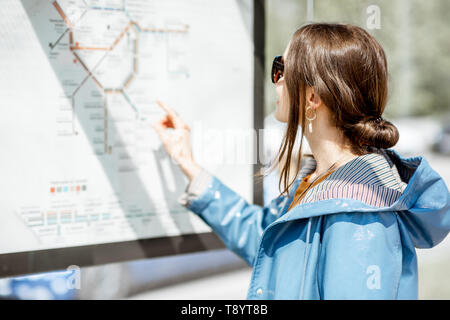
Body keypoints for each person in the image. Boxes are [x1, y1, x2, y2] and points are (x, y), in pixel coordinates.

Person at [151, 23, 450, 300]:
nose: (276, 81)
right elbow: (267, 239)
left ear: (312, 97)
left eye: (281, 70)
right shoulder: (320, 182)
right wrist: (187, 164)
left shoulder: (359, 214)